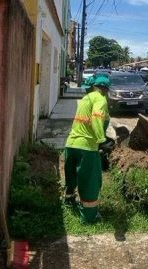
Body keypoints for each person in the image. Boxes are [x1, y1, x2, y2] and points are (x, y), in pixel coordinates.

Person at [64, 76, 110, 223]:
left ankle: (69, 201)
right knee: (90, 181)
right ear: (105, 89)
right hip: (87, 147)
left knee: (71, 176)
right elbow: (97, 118)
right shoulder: (100, 98)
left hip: (71, 144)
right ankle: (89, 217)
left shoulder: (85, 99)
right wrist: (101, 140)